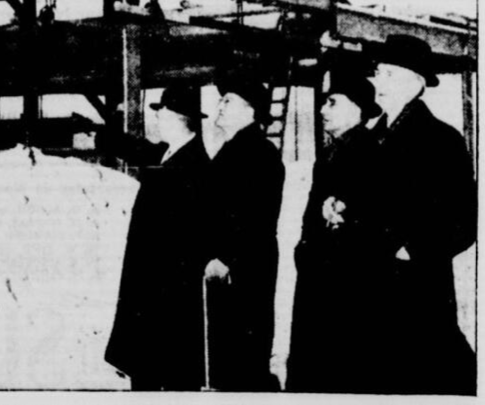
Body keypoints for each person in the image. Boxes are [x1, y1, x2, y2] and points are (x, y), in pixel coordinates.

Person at [365, 34, 476, 395]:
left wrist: (413, 251)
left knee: (426, 377)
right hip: (368, 287)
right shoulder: (368, 139)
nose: (376, 81)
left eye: (387, 73)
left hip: (416, 290)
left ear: (414, 82)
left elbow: (463, 221)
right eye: (378, 72)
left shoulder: (441, 140)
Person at [104, 83, 214, 391]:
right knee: (149, 373)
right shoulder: (170, 154)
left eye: (160, 113)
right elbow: (135, 148)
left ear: (174, 116)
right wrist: (107, 127)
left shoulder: (193, 166)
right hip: (152, 293)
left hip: (167, 297)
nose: (156, 120)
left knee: (170, 377)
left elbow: (183, 242)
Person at [286, 72, 386, 393]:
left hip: (346, 287)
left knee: (341, 369)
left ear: (356, 109)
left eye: (332, 103)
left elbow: (372, 221)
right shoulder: (330, 155)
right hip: (320, 278)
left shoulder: (370, 153)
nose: (322, 110)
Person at [202, 76, 285, 392]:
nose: (219, 107)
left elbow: (257, 217)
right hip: (231, 270)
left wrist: (226, 257)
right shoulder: (235, 149)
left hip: (242, 270)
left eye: (228, 101)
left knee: (242, 357)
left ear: (251, 111)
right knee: (229, 355)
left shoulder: (258, 153)